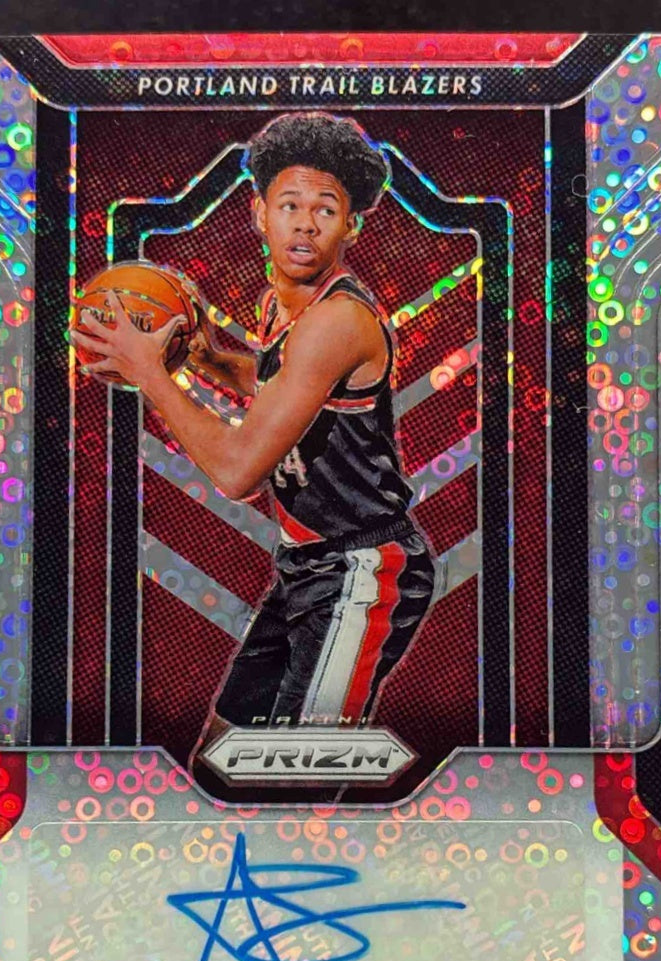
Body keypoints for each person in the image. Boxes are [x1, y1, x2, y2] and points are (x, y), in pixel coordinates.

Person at [71, 112, 435, 776]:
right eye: (289, 205)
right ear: (259, 213)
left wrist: (151, 372)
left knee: (298, 775)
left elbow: (238, 471)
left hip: (363, 569)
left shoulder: (337, 321)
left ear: (351, 226)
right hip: (307, 564)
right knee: (220, 756)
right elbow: (280, 380)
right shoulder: (282, 306)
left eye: (325, 210)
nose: (305, 223)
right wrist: (206, 356)